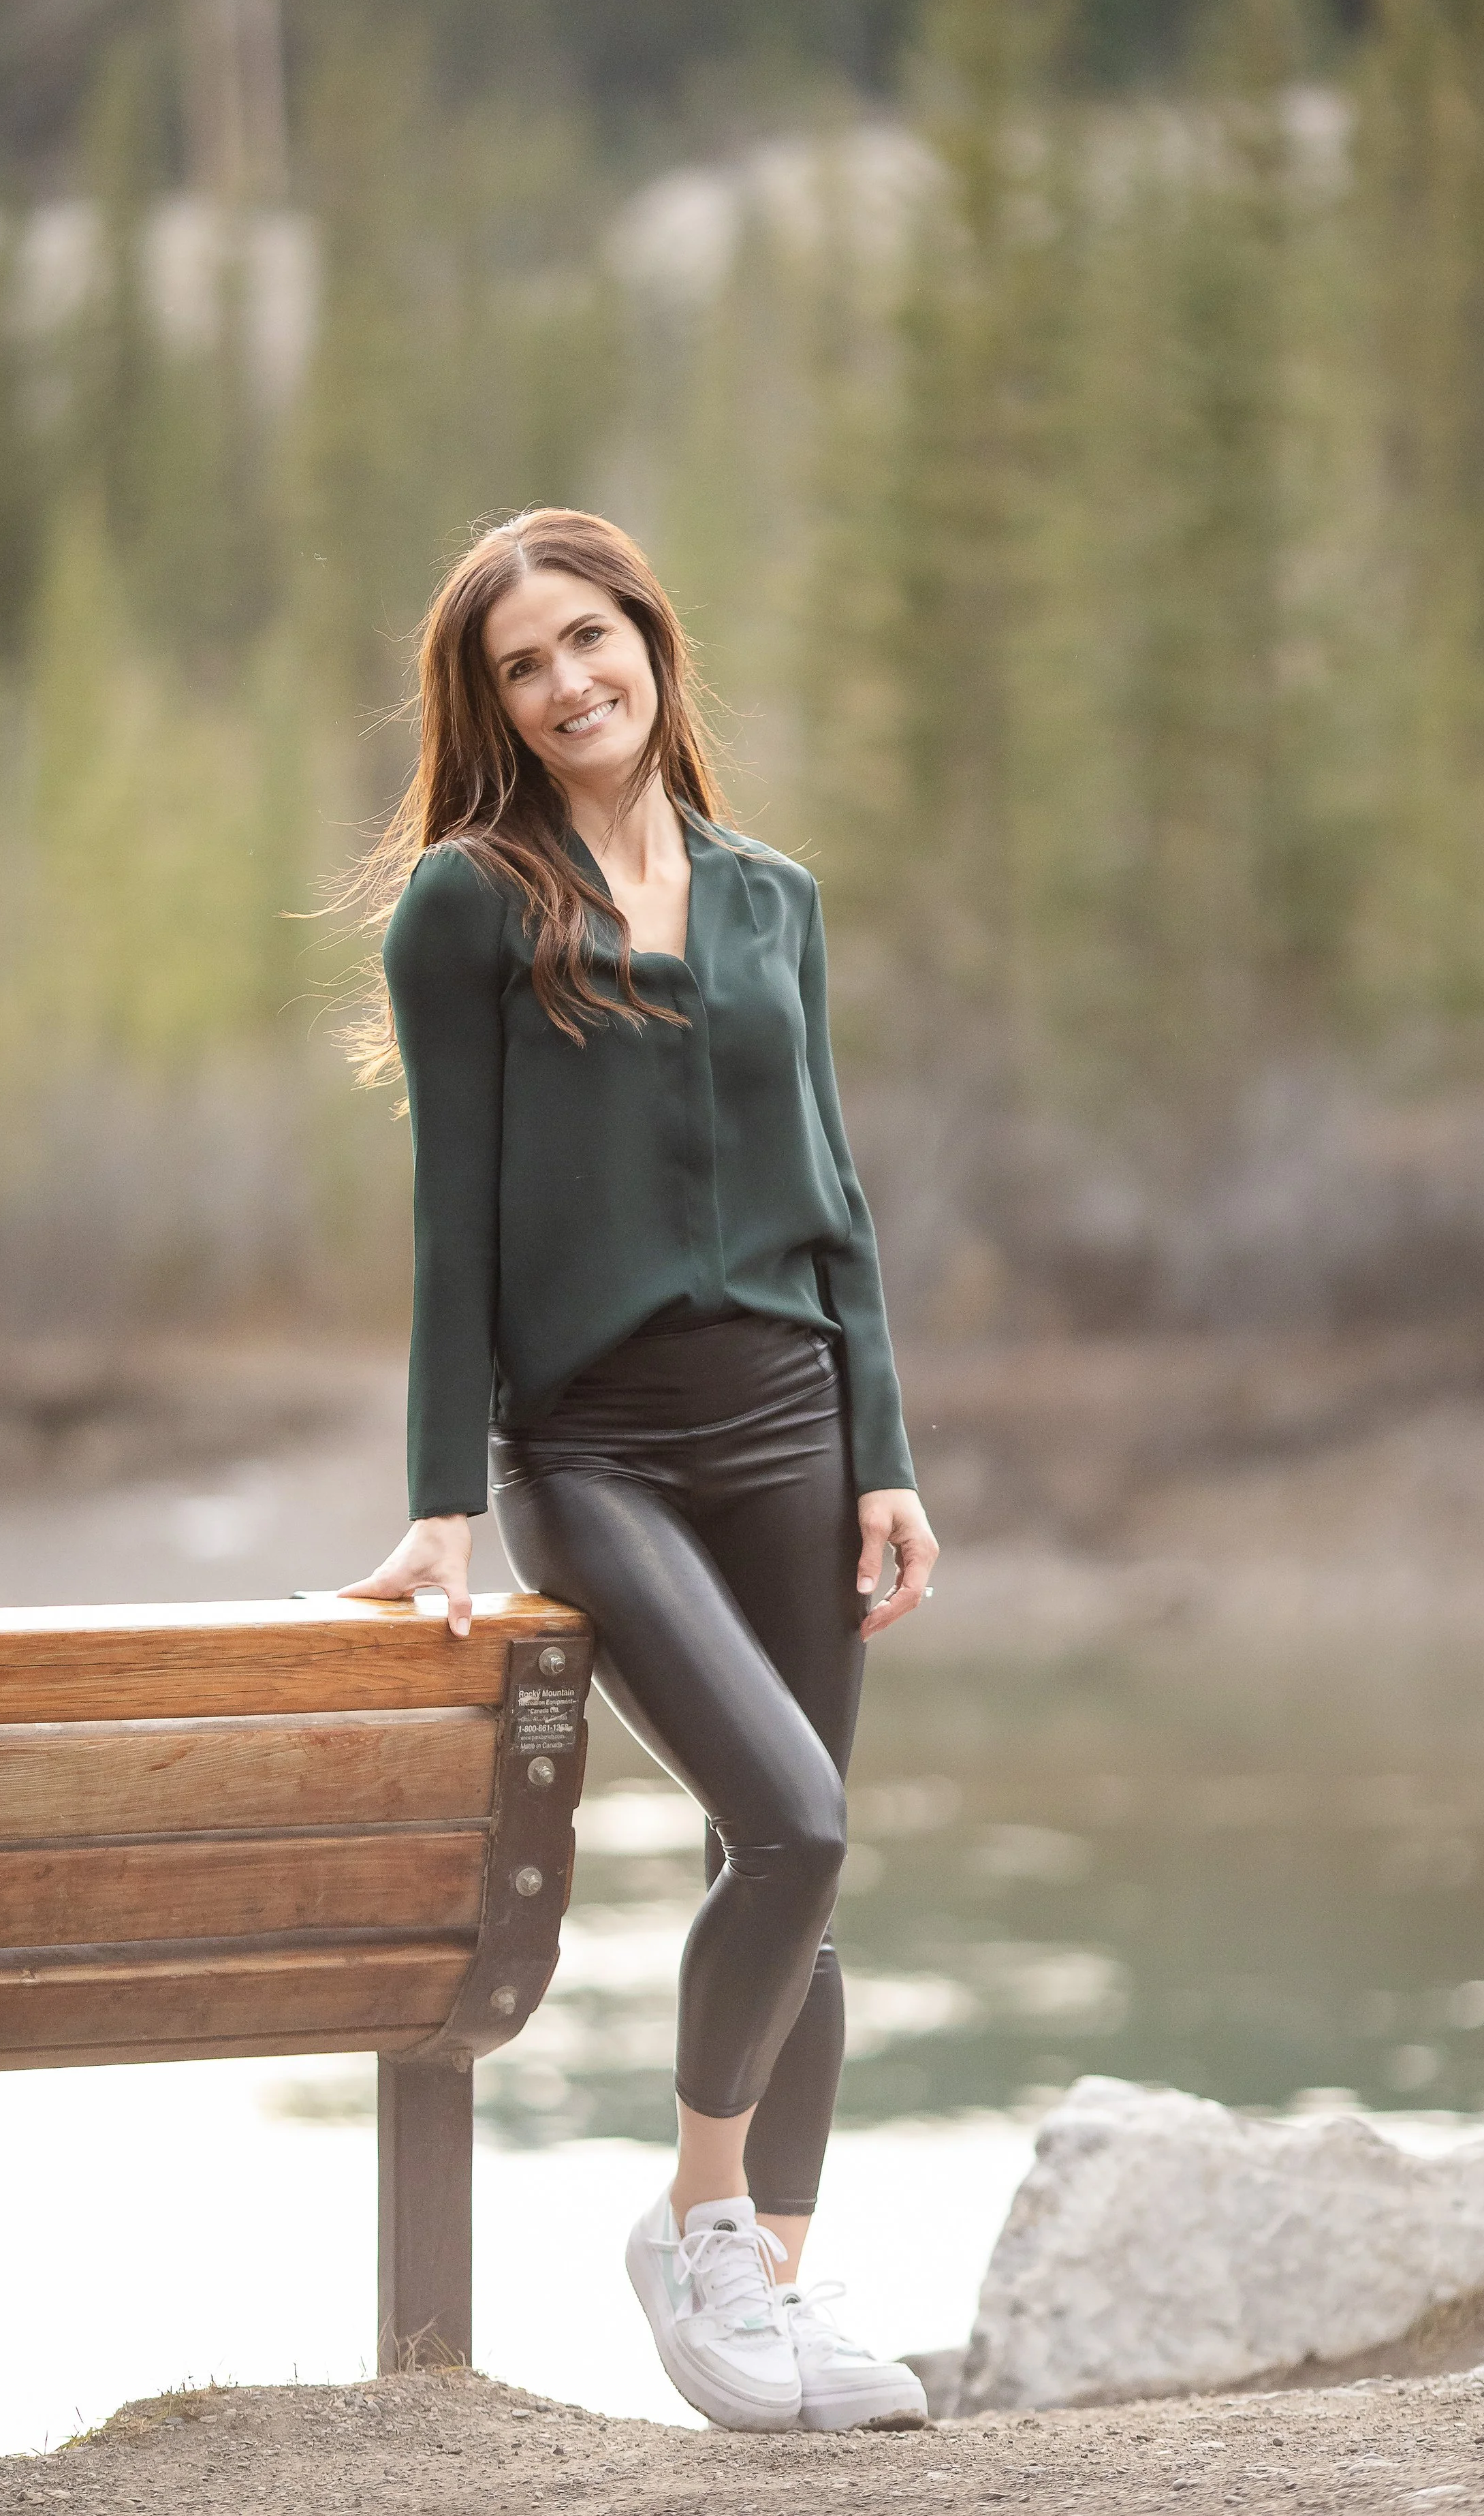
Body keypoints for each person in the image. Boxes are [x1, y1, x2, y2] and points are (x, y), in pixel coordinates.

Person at [341, 507, 939, 2433]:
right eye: (524, 663)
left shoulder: (774, 898)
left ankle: (767, 2281)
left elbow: (833, 1194)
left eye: (590, 638)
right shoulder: (465, 903)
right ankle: (693, 2228)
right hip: (595, 1444)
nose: (568, 680)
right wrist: (447, 1494)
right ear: (492, 702)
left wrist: (886, 1456)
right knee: (796, 1820)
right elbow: (452, 1218)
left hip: (791, 1424)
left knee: (791, 1873)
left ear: (652, 645)